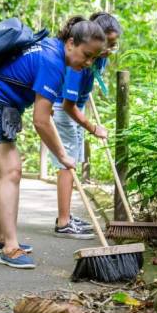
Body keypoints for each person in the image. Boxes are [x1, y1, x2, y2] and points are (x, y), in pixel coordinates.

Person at [0, 17, 106, 269]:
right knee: (12, 171)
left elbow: (38, 102)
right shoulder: (54, 61)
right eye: (87, 55)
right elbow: (41, 121)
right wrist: (63, 155)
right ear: (70, 43)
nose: (88, 63)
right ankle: (10, 247)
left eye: (94, 58)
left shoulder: (49, 47)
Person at [49, 12, 122, 239]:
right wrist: (93, 128)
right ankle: (63, 222)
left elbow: (84, 90)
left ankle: (67, 216)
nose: (110, 48)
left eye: (114, 44)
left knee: (75, 163)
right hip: (65, 111)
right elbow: (68, 105)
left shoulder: (99, 57)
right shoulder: (78, 62)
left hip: (76, 111)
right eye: (107, 43)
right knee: (67, 165)